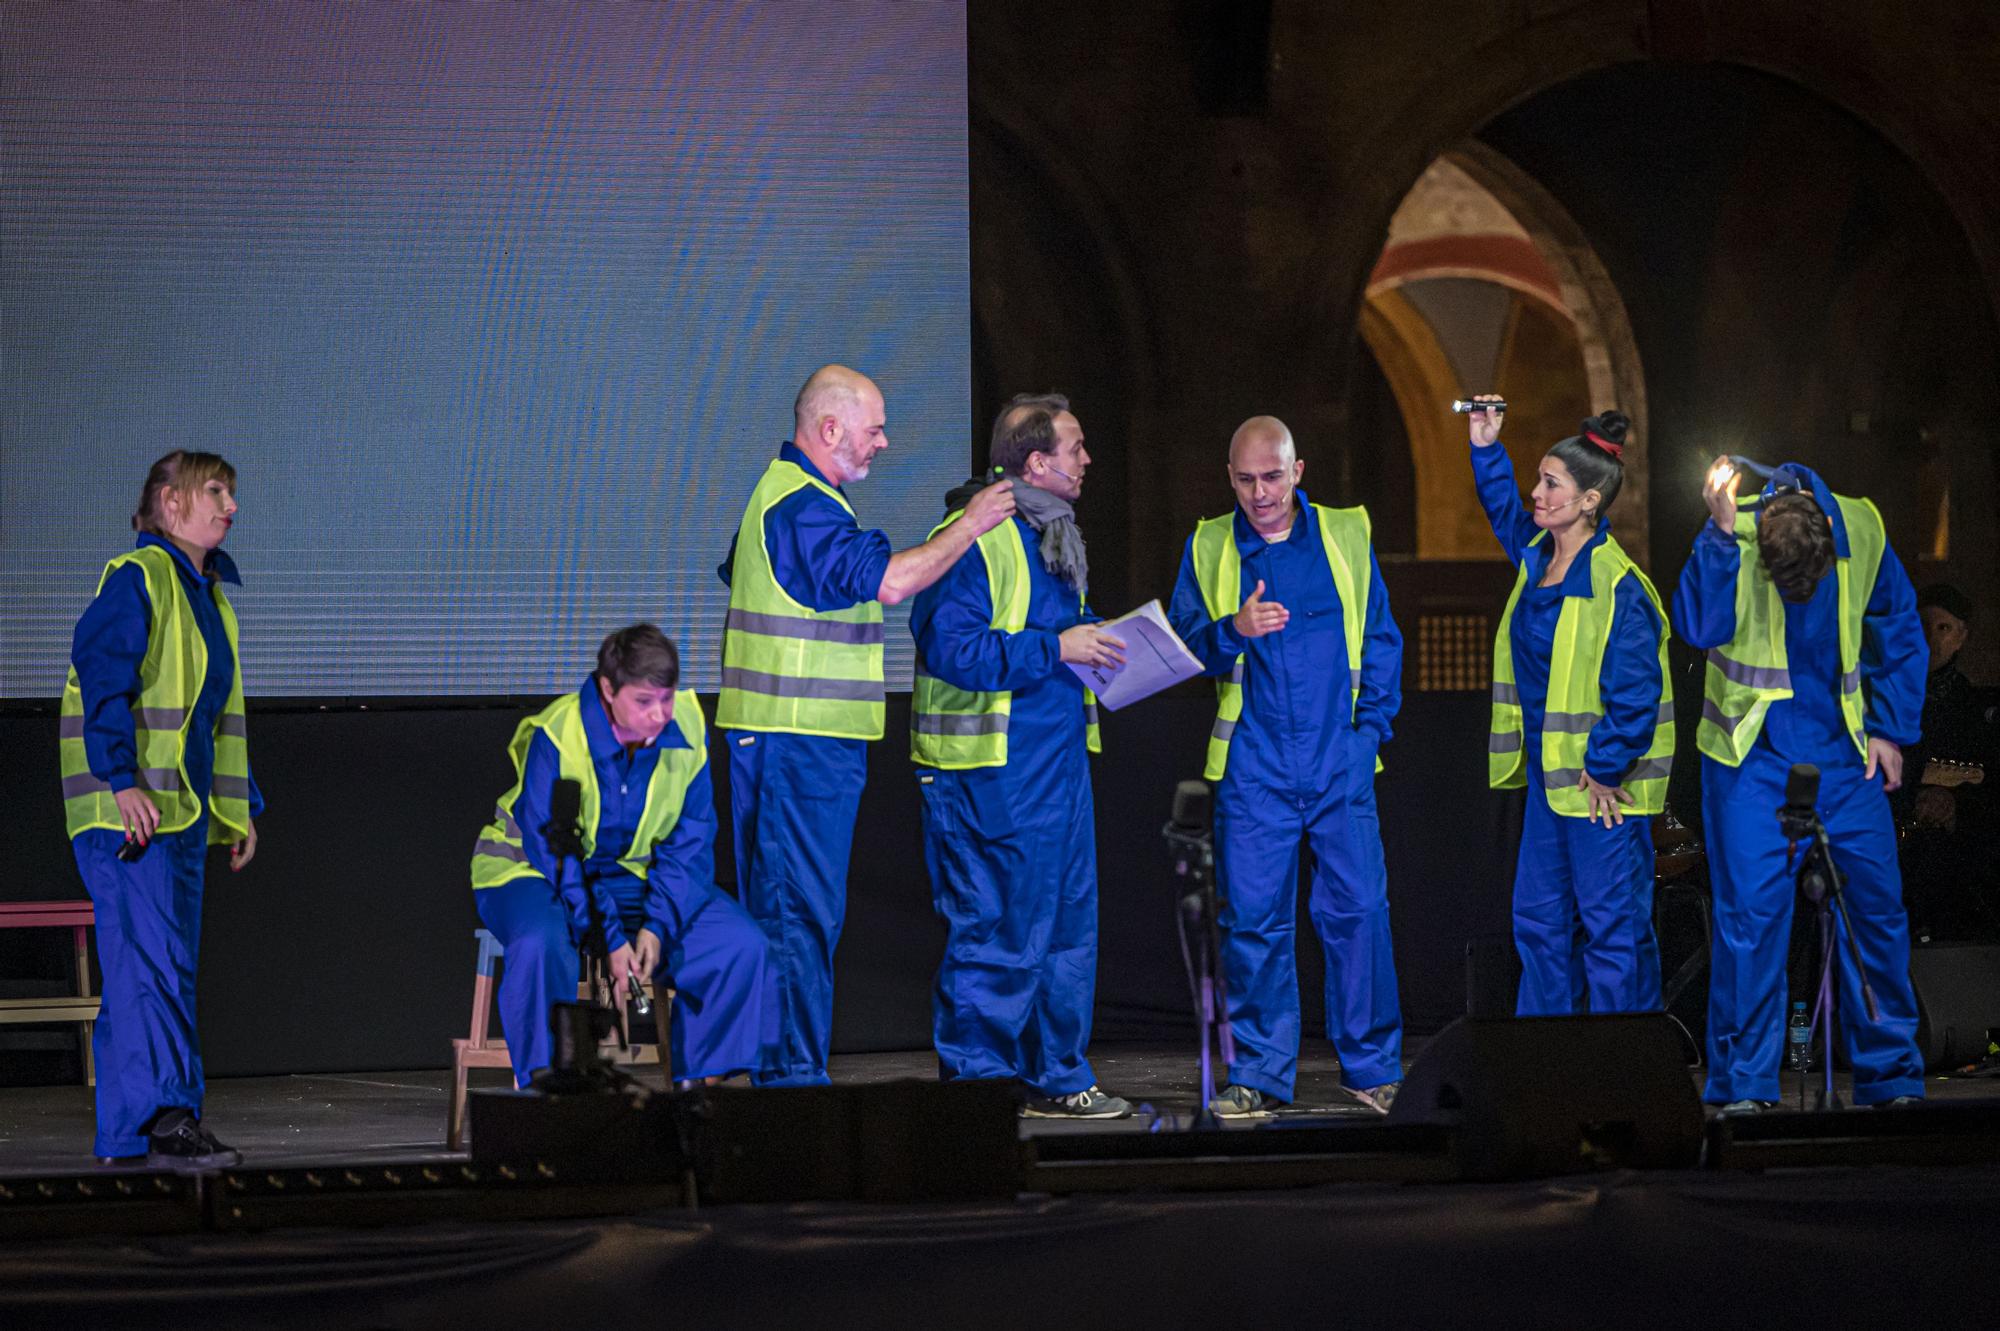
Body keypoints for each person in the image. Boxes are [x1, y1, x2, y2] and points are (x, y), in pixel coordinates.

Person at [718, 365, 1016, 1086]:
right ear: (828, 429)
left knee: (800, 917)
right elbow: (887, 582)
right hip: (795, 744)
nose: (884, 442)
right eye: (874, 427)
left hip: (804, 742)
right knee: (796, 919)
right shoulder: (800, 506)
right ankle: (790, 1091)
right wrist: (970, 525)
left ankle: (788, 1079)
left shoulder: (803, 502)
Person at [1168, 416, 1407, 1117]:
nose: (1260, 493)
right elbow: (1181, 646)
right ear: (1230, 478)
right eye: (1245, 479)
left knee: (1360, 914)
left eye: (1272, 476)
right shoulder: (1212, 543)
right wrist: (1231, 631)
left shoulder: (1343, 535)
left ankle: (1370, 1068)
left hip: (1339, 759)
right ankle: (1261, 1076)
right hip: (1256, 767)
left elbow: (1383, 641)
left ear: (1297, 471)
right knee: (1254, 924)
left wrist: (1367, 740)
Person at [1672, 456, 1926, 1111]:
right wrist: (1720, 534)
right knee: (1750, 925)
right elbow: (1697, 626)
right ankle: (1745, 1085)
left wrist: (1890, 729)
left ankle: (1892, 1077)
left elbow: (1898, 625)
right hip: (1750, 757)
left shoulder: (1861, 527)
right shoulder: (1737, 533)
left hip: (1844, 755)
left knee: (1877, 913)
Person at [909, 393, 1131, 1117]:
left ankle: (1057, 1074)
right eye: (1076, 446)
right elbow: (950, 647)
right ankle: (979, 1089)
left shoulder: (1054, 535)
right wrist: (1059, 646)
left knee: (1068, 928)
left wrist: (1105, 641)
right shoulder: (976, 536)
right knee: (999, 929)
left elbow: (1059, 629)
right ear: (1036, 461)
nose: (1088, 459)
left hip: (1055, 767)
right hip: (989, 776)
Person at [61, 450, 262, 1169]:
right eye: (215, 490)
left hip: (177, 818)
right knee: (155, 969)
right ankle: (169, 1120)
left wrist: (238, 810)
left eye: (231, 493)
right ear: (169, 505)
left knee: (143, 971)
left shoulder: (209, 598)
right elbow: (102, 677)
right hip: (130, 817)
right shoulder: (139, 579)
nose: (230, 505)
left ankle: (127, 1137)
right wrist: (119, 780)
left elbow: (217, 722)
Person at [470, 624, 774, 1087]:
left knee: (740, 946)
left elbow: (690, 841)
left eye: (666, 699)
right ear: (609, 690)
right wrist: (610, 938)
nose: (659, 715)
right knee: (540, 945)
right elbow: (558, 853)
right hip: (534, 874)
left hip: (634, 879)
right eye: (644, 702)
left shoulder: (687, 725)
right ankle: (546, 1093)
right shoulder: (560, 734)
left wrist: (656, 926)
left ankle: (695, 1101)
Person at [1465, 401, 1674, 1022]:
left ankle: (1620, 1066)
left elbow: (1636, 694)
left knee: (1613, 930)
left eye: (1550, 483)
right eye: (1538, 478)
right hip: (1549, 786)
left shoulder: (1618, 584)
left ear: (1588, 501)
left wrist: (1606, 768)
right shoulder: (1536, 555)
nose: (1536, 492)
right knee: (1538, 924)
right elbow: (1505, 508)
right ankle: (1546, 1060)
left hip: (1599, 789)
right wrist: (1484, 449)